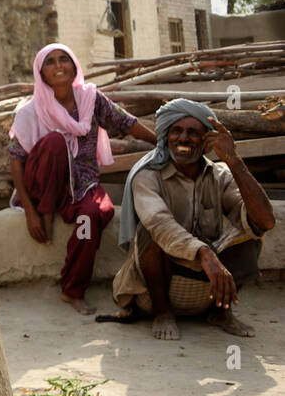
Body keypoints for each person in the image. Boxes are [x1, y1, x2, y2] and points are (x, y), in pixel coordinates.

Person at [8, 43, 156, 315]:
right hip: (43, 187)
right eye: (50, 62)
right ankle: (46, 212)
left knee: (94, 215)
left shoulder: (91, 100)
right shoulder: (31, 111)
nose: (58, 66)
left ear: (74, 66)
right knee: (54, 142)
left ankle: (72, 289)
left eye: (64, 59)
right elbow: (16, 159)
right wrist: (30, 210)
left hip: (82, 185)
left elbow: (125, 122)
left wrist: (159, 142)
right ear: (41, 72)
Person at [109, 99, 274, 341]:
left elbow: (265, 221)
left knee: (251, 231)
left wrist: (234, 161)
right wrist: (205, 254)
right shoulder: (147, 176)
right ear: (166, 137)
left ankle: (220, 313)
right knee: (149, 233)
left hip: (204, 283)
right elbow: (160, 224)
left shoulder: (221, 176)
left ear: (206, 142)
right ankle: (163, 313)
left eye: (193, 133)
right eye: (176, 131)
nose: (183, 139)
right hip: (157, 284)